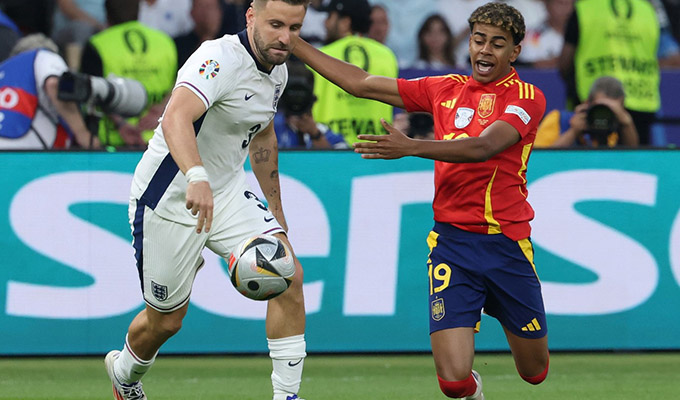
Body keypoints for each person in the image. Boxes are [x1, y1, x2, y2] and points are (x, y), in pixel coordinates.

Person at [293, 2, 549, 398]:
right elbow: (361, 83)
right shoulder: (444, 88)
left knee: (534, 372)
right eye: (479, 40)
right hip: (452, 245)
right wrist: (294, 43)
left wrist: (411, 146)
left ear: (514, 51)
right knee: (454, 383)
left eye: (497, 44)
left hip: (506, 244)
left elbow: (483, 147)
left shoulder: (527, 96)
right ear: (469, 43)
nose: (485, 50)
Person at [103, 1, 308, 400]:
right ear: (251, 16)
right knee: (166, 321)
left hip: (226, 191)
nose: (285, 38)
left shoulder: (278, 71)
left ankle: (287, 395)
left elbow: (263, 136)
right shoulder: (217, 58)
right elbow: (175, 117)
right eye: (276, 25)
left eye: (294, 28)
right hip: (170, 198)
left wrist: (276, 210)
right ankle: (124, 374)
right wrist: (196, 176)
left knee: (288, 275)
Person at [558, 0, 660, 145]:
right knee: (636, 158)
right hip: (641, 98)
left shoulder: (585, 9)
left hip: (592, 99)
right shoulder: (647, 10)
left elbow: (565, 64)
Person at [80, 0, 177, 148]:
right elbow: (180, 84)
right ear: (139, 10)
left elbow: (93, 89)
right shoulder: (165, 41)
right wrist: (161, 111)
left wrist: (121, 124)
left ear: (107, 13)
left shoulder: (98, 43)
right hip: (159, 139)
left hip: (113, 142)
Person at [311, 0, 398, 145]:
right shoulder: (387, 55)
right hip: (377, 148)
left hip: (329, 148)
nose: (325, 23)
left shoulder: (319, 56)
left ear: (345, 22)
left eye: (330, 16)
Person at [0, 34, 99, 150]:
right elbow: (54, 84)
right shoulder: (42, 55)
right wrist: (83, 134)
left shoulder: (4, 69)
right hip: (24, 153)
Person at [535, 76, 639, 147]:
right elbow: (540, 158)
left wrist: (627, 123)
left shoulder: (618, 127)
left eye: (611, 110)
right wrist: (573, 132)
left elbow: (634, 160)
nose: (604, 115)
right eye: (600, 108)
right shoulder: (559, 119)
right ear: (587, 103)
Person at [275, 61, 348, 149]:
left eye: (301, 96)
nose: (297, 101)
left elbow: (342, 155)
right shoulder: (269, 129)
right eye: (292, 95)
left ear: (312, 99)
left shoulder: (325, 133)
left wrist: (315, 134)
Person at [516, 0, 573, 68]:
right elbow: (523, 67)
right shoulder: (531, 36)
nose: (566, 9)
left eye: (570, 4)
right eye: (560, 3)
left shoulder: (582, 35)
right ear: (547, 5)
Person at [174, 0, 224, 68]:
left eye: (210, 7)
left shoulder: (231, 42)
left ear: (220, 12)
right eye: (201, 7)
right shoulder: (179, 46)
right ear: (192, 12)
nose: (207, 13)